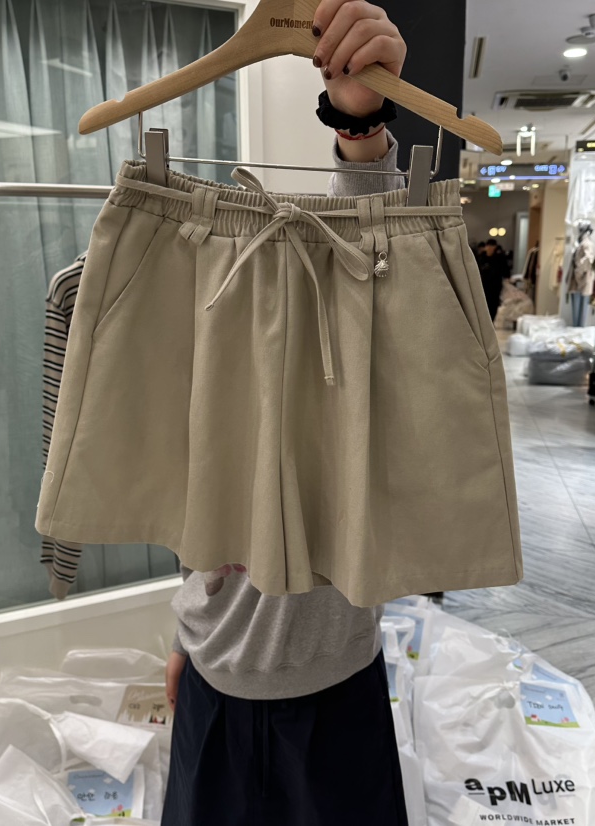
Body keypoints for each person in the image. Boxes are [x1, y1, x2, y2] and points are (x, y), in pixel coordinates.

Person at [162, 3, 410, 825]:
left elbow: (371, 254)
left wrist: (359, 121)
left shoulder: (336, 324)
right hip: (214, 669)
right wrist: (181, 638)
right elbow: (186, 511)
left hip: (336, 681)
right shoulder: (189, 317)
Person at [479, 238, 508, 321]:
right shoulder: (482, 257)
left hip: (495, 285)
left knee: (493, 304)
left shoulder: (499, 258)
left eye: (491, 246)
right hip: (483, 285)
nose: (489, 248)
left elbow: (505, 271)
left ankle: (491, 321)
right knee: (483, 303)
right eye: (488, 246)